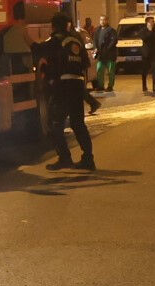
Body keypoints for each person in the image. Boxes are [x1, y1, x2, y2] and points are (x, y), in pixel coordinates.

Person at [34, 11, 96, 171]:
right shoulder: (76, 41)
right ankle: (88, 159)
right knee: (78, 123)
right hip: (77, 84)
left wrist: (22, 33)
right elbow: (85, 65)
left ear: (53, 26)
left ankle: (64, 158)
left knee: (54, 124)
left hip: (62, 86)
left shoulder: (55, 40)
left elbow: (37, 49)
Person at [93, 18, 119, 92]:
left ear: (107, 21)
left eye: (104, 20)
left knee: (111, 71)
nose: (102, 21)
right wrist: (95, 48)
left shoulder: (111, 30)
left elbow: (114, 41)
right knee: (99, 70)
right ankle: (100, 86)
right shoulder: (97, 30)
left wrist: (107, 49)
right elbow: (95, 41)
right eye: (101, 20)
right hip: (100, 55)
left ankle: (110, 86)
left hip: (110, 55)